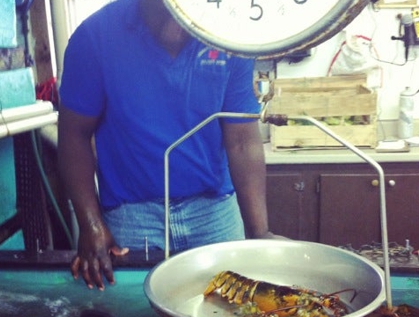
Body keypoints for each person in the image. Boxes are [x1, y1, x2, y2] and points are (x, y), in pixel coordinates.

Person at [58, 0, 282, 291]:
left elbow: (241, 138)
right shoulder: (94, 37)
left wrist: (259, 232)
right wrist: (90, 224)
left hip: (214, 213)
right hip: (132, 217)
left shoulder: (229, 37)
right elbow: (73, 135)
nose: (178, 28)